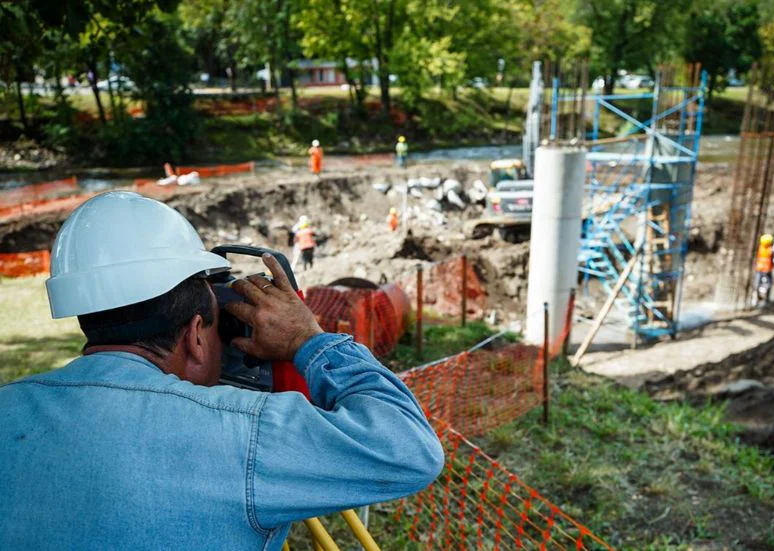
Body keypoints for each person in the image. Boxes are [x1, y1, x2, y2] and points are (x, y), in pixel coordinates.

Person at [0, 192, 443, 549]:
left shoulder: (9, 409)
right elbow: (410, 449)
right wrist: (309, 341)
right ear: (195, 334)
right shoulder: (243, 436)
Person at [754, 233, 774, 306]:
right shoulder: (770, 249)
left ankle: (757, 298)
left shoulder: (760, 248)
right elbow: (772, 259)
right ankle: (766, 299)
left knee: (758, 284)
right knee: (769, 283)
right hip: (767, 269)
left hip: (759, 268)